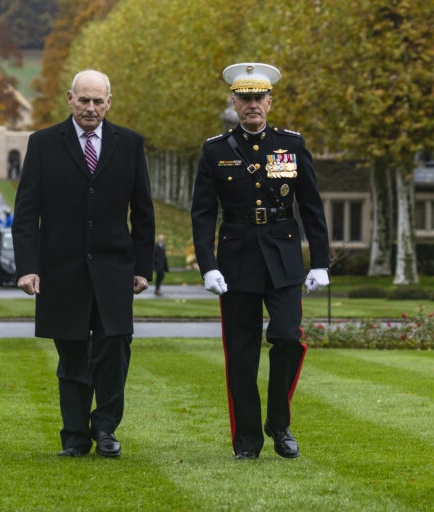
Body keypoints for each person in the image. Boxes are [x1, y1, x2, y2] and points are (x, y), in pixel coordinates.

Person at [191, 63, 330, 460]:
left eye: (259, 98)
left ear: (270, 102)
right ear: (234, 103)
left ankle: (279, 423)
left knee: (287, 337)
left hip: (283, 256)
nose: (252, 105)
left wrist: (319, 261)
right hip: (235, 261)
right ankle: (248, 440)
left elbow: (311, 206)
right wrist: (208, 264)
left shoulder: (291, 144)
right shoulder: (215, 150)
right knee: (242, 353)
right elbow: (202, 213)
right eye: (244, 98)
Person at [13, 69, 154, 459]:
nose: (90, 108)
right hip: (62, 270)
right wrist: (27, 266)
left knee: (114, 351)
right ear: (69, 98)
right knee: (73, 357)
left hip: (115, 269)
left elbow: (142, 212)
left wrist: (143, 266)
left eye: (98, 101)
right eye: (84, 100)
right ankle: (75, 436)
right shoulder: (42, 144)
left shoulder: (129, 144)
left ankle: (106, 428)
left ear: (109, 102)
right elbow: (26, 213)